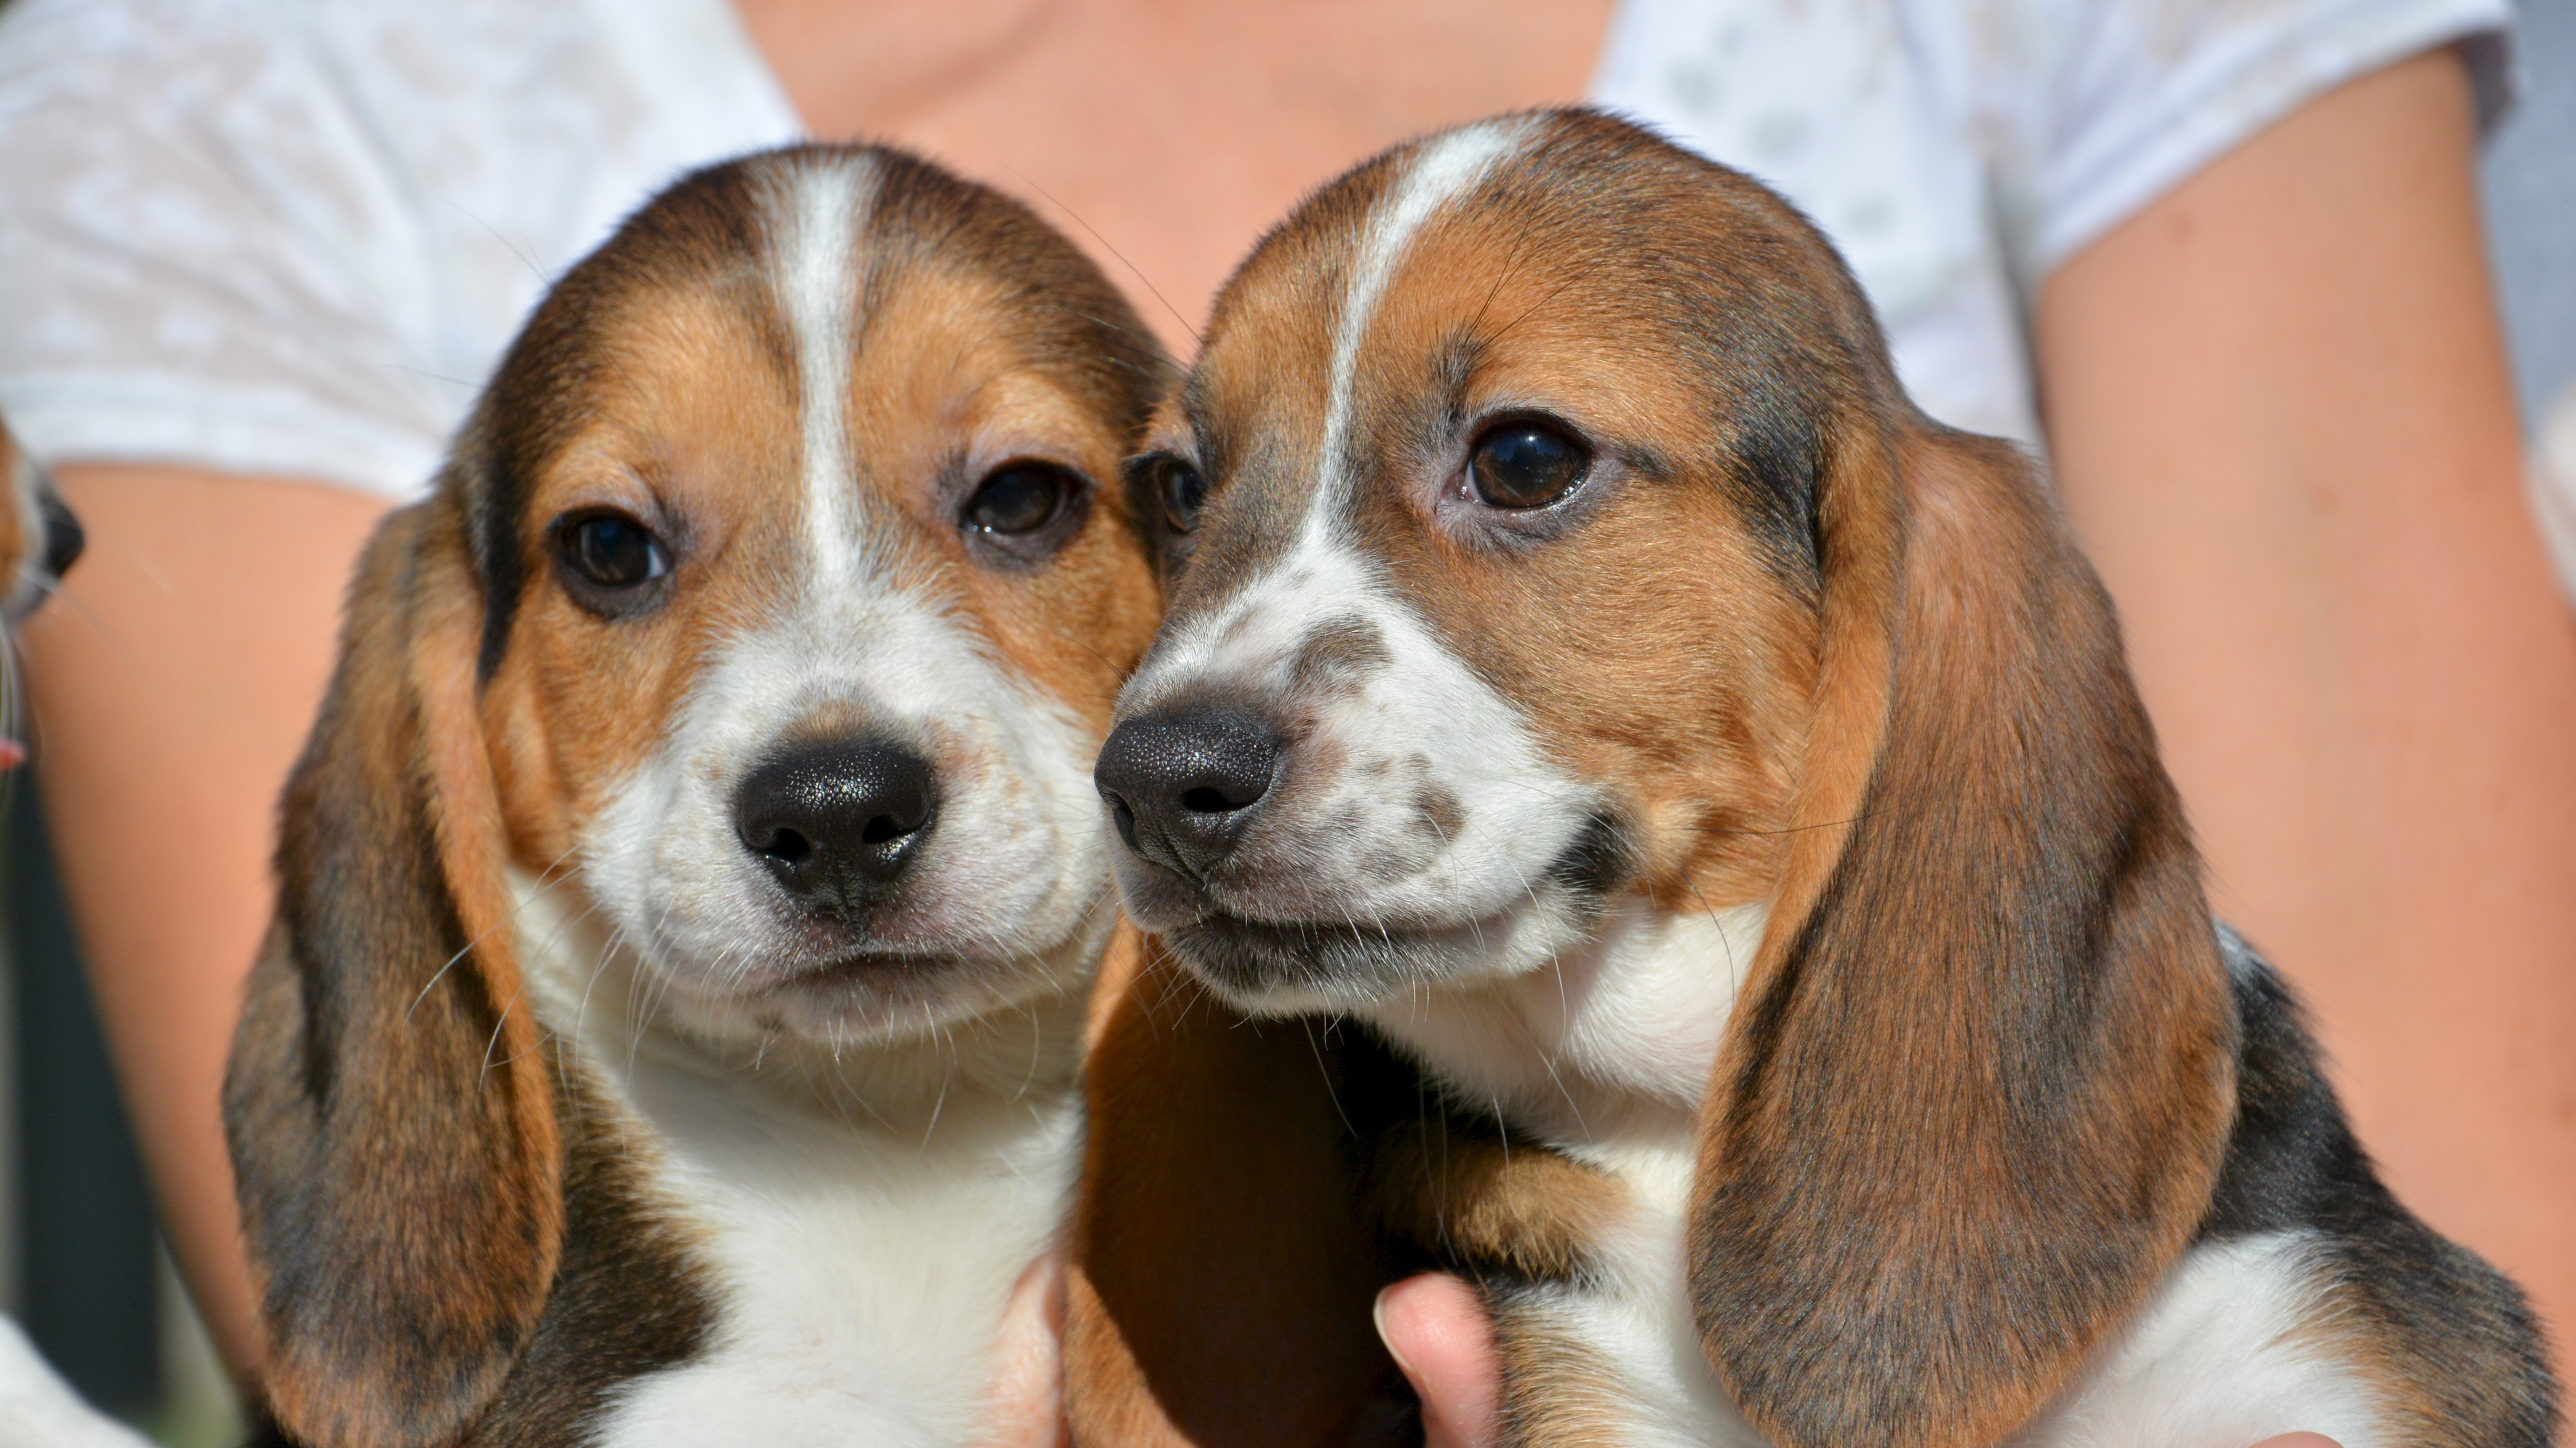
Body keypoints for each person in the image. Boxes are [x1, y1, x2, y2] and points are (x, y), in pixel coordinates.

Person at [1, 1, 2567, 1442]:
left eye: (1030, 506)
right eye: (617, 553)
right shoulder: (248, 79)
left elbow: (2469, 1181)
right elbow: (383, 1334)